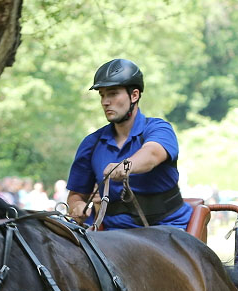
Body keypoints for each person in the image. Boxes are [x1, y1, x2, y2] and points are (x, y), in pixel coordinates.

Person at [66, 58, 191, 230]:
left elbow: (152, 154)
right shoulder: (92, 143)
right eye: (102, 95)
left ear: (134, 95)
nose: (105, 102)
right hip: (114, 237)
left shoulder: (158, 128)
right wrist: (77, 206)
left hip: (168, 229)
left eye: (112, 93)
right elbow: (76, 195)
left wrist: (125, 166)